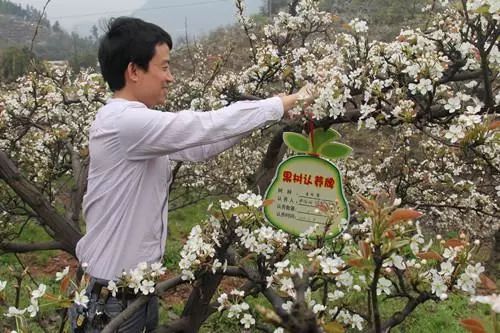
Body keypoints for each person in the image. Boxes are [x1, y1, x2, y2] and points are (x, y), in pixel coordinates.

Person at [70, 16, 314, 332]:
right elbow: (202, 126)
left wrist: (268, 116)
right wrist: (280, 104)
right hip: (112, 299)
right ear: (134, 71)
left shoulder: (138, 127)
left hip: (133, 292)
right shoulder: (124, 124)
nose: (170, 78)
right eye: (164, 66)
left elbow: (200, 146)